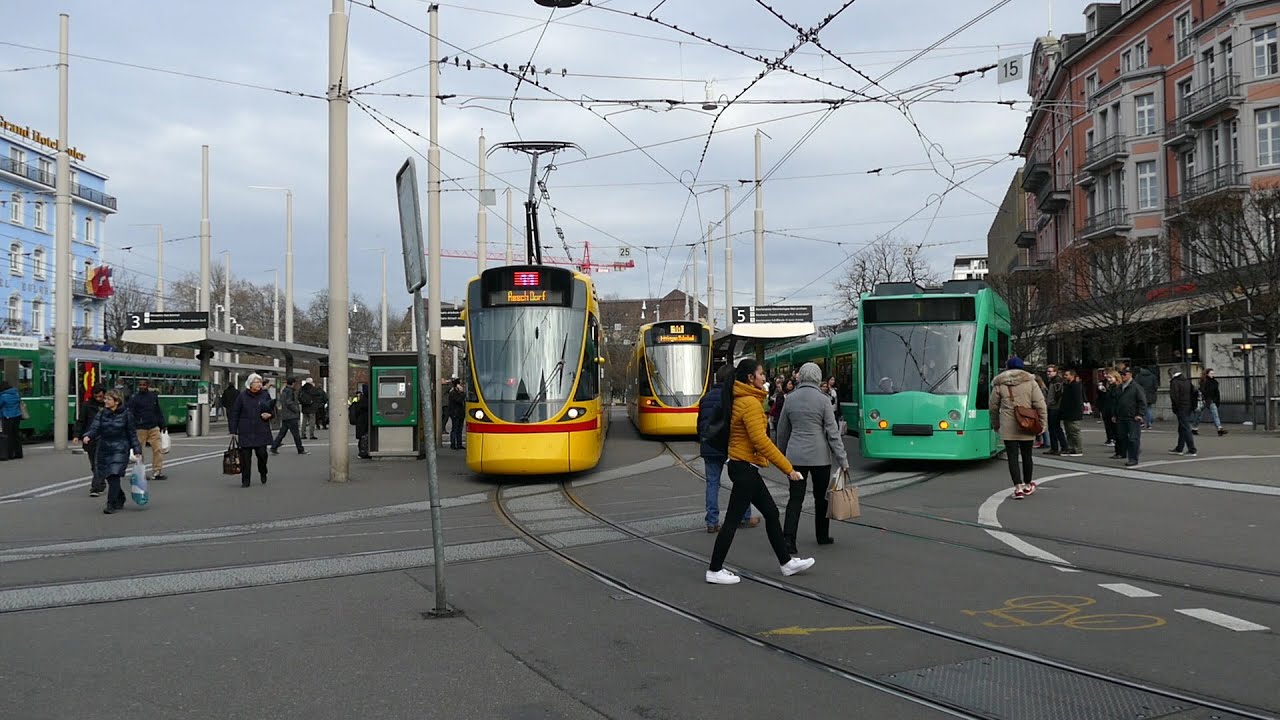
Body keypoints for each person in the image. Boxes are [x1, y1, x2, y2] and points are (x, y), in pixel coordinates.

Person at [705, 358, 814, 585]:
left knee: (771, 513)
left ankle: (786, 563)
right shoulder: (750, 403)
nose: (765, 378)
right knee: (733, 520)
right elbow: (761, 441)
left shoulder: (742, 399)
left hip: (743, 466)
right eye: (761, 374)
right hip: (744, 467)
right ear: (750, 378)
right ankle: (714, 569)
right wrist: (788, 469)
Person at [777, 362, 847, 553]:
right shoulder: (823, 400)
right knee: (821, 497)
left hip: (796, 457)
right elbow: (833, 432)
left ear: (800, 377)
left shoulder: (790, 399)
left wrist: (780, 456)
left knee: (795, 498)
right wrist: (842, 459)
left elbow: (783, 430)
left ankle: (789, 540)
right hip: (819, 457)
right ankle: (822, 535)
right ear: (817, 378)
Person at [696, 365, 754, 533]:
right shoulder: (734, 397)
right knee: (741, 481)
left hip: (710, 446)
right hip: (730, 446)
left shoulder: (705, 398)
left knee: (712, 483)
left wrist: (703, 440)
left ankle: (712, 521)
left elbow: (700, 424)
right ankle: (744, 516)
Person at [990, 357, 1048, 500]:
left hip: (1008, 425)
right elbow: (1040, 405)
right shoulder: (1031, 382)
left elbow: (993, 407)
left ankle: (1018, 488)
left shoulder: (999, 384)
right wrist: (1043, 424)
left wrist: (995, 424)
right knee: (1027, 456)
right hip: (1027, 424)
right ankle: (1028, 484)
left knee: (1012, 457)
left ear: (1007, 368)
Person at [81, 389, 143, 514]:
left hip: (120, 448)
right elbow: (95, 427)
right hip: (104, 448)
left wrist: (137, 449)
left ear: (117, 401)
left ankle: (111, 504)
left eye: (108, 399)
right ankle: (119, 496)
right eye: (105, 399)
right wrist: (88, 435)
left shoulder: (126, 414)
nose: (105, 401)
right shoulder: (102, 413)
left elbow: (132, 433)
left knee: (114, 475)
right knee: (108, 476)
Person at [229, 373, 275, 487]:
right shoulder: (242, 396)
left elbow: (271, 410)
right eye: (256, 382)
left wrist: (269, 415)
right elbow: (235, 413)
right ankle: (245, 480)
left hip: (261, 429)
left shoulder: (265, 395)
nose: (259, 384)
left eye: (260, 382)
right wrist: (233, 430)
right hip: (246, 430)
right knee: (245, 458)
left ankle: (263, 471)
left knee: (262, 454)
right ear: (250, 384)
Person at [126, 379, 167, 480]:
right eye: (140, 385)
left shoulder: (153, 397)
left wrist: (162, 424)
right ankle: (141, 472)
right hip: (140, 428)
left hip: (153, 427)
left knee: (158, 449)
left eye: (144, 385)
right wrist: (131, 426)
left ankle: (157, 471)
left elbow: (158, 411)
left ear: (148, 385)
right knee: (139, 451)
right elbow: (130, 413)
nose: (142, 386)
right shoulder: (134, 398)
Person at [76, 386, 108, 496]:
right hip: (90, 438)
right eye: (96, 396)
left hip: (105, 437)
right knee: (94, 464)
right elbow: (81, 421)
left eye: (101, 396)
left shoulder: (109, 404)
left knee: (98, 463)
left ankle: (96, 487)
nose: (99, 398)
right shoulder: (87, 405)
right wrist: (76, 435)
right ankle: (101, 482)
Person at [1113, 368, 1147, 467]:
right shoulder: (1120, 387)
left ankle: (1133, 458)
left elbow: (1142, 402)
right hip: (1121, 416)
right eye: (1121, 374)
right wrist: (1115, 414)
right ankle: (1131, 452)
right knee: (1122, 437)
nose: (1122, 376)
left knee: (1133, 438)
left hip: (1132, 417)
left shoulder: (1136, 387)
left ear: (1130, 375)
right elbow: (1116, 402)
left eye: (1124, 374)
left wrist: (1140, 414)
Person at [270, 377, 308, 455]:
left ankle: (274, 447)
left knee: (282, 433)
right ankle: (300, 449)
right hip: (291, 416)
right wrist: (296, 409)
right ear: (293, 383)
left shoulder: (284, 391)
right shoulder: (290, 392)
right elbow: (289, 402)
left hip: (285, 415)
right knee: (296, 434)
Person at [1168, 370, 1198, 457]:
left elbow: (1174, 397)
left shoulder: (1175, 382)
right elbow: (1193, 393)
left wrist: (1175, 408)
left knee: (1185, 428)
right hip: (1188, 406)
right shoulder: (1187, 381)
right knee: (1182, 427)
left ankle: (1192, 449)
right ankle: (1179, 448)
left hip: (1181, 407)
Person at [1193, 369, 1226, 436]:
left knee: (1215, 414)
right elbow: (1202, 391)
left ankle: (1219, 428)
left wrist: (1216, 401)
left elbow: (1217, 392)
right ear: (1207, 374)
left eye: (1213, 373)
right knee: (1198, 415)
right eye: (1211, 373)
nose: (1212, 375)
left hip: (1211, 401)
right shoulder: (1203, 382)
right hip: (1203, 400)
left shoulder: (1215, 382)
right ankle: (1194, 428)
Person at [1059, 369, 1084, 457]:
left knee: (1074, 431)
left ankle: (1078, 449)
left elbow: (1077, 401)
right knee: (1069, 432)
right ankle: (1071, 448)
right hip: (1067, 412)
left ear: (1072, 376)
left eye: (1066, 375)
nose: (1064, 376)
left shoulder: (1075, 386)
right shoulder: (1068, 385)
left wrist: (1076, 411)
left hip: (1073, 413)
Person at [1043, 365, 1065, 455]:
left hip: (1055, 407)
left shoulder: (1057, 381)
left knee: (1055, 428)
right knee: (1053, 428)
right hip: (1052, 406)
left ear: (1055, 372)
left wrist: (1053, 402)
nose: (1048, 373)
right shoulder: (1053, 381)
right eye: (1047, 371)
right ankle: (1054, 447)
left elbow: (1058, 393)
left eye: (1050, 371)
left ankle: (1063, 446)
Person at [0, 380, 24, 461]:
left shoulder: (4, 396)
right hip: (17, 416)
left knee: (7, 436)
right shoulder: (16, 394)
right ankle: (19, 453)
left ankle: (9, 454)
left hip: (7, 417)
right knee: (16, 435)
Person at [1098, 370, 1120, 449]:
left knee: (1114, 427)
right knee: (1108, 425)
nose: (1108, 379)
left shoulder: (1117, 387)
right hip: (1107, 409)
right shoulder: (1110, 386)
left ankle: (1114, 440)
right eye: (1108, 378)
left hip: (1112, 410)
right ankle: (1111, 439)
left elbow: (1115, 399)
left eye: (1110, 378)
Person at [350, 389, 371, 459]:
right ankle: (364, 452)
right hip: (364, 422)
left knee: (362, 437)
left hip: (360, 422)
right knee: (365, 436)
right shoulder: (368, 401)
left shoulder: (360, 401)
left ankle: (362, 452)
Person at [447, 379, 467, 450]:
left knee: (459, 429)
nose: (462, 386)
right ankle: (453, 444)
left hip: (460, 413)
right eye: (460, 384)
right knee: (455, 429)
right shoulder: (453, 393)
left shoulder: (459, 393)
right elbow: (459, 400)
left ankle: (459, 444)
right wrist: (463, 393)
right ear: (457, 385)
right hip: (455, 413)